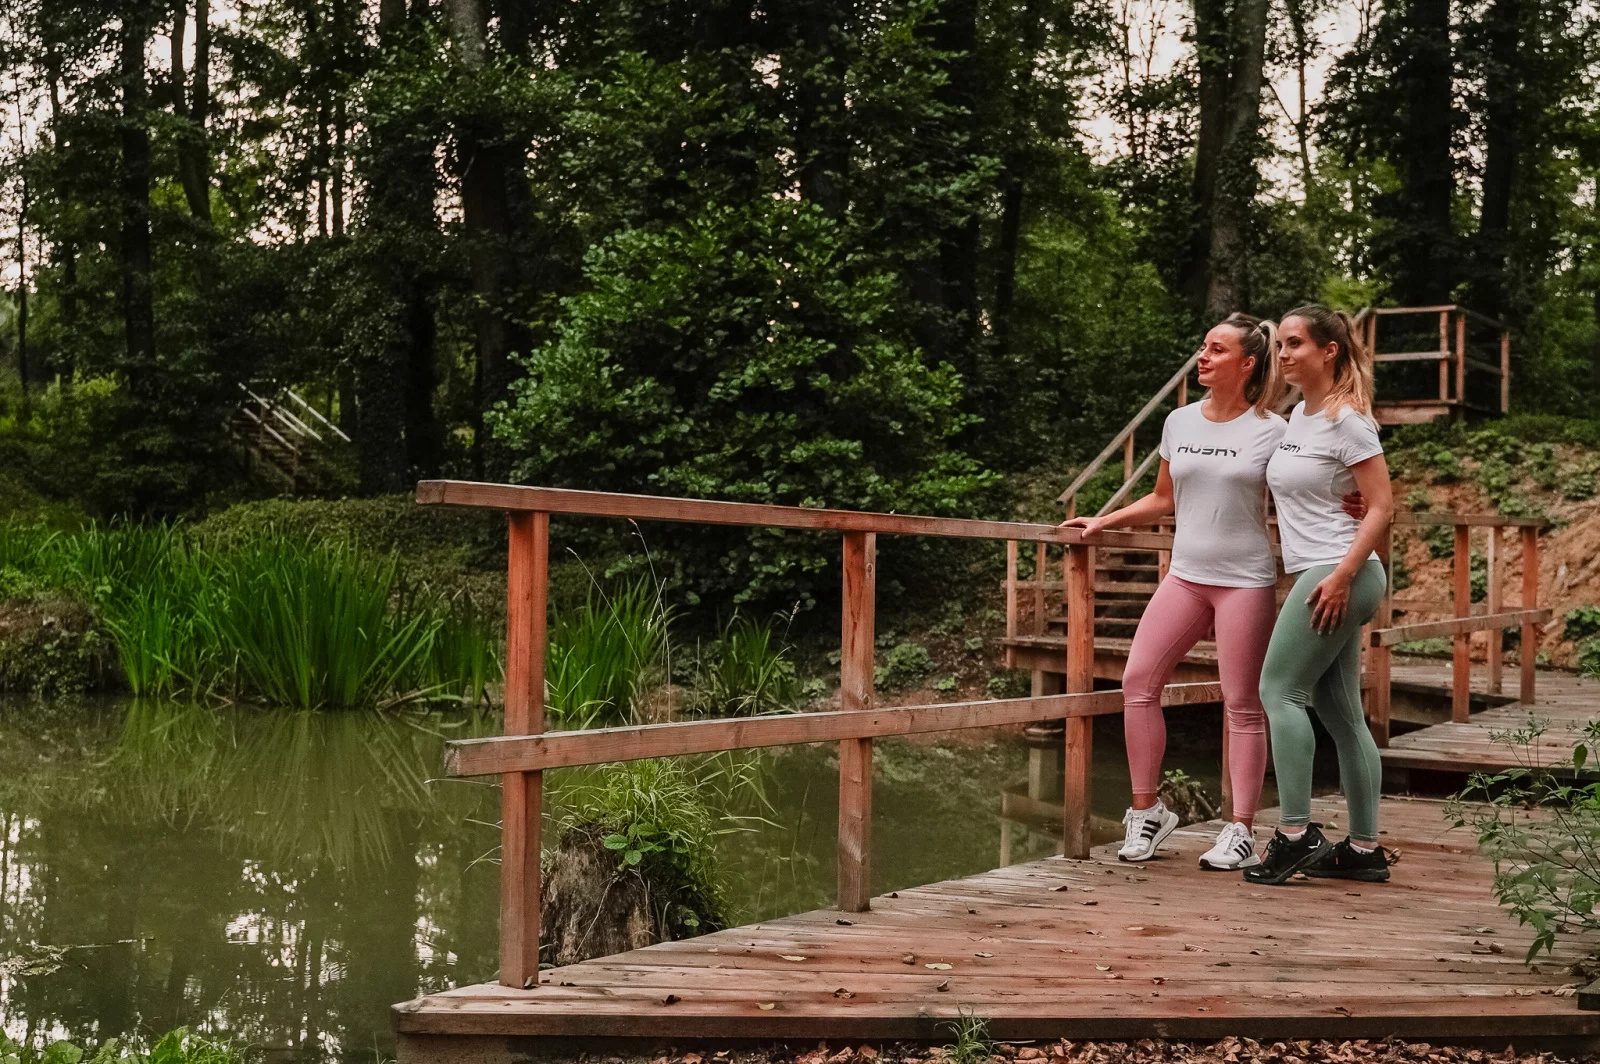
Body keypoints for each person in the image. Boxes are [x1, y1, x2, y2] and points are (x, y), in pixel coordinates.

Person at [1067, 314, 1322, 870]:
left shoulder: (1273, 430)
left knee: (1243, 704)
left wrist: (1353, 502)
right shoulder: (1179, 421)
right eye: (1203, 347)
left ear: (1247, 364)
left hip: (1244, 582)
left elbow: (1309, 484)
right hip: (1184, 576)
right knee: (1137, 682)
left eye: (1216, 350)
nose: (1202, 357)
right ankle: (1148, 812)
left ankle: (1241, 829)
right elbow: (1163, 499)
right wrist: (1105, 521)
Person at [1244, 304, 1395, 885]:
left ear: (1329, 351)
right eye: (1280, 344)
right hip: (1326, 569)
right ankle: (1363, 849)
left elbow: (1381, 505)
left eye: (1295, 343)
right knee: (1341, 712)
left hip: (1339, 573)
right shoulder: (1297, 419)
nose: (1283, 354)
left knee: (1278, 690)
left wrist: (1342, 575)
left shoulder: (1347, 420)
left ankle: (1293, 835)